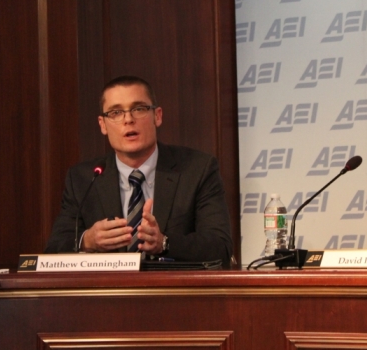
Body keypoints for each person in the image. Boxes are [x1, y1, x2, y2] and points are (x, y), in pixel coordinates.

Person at [46, 76, 233, 266]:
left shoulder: (197, 170)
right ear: (103, 125)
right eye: (116, 112)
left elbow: (220, 247)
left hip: (174, 292)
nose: (128, 120)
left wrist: (164, 242)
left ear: (157, 116)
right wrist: (87, 241)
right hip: (109, 294)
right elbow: (54, 249)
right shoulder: (83, 179)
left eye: (139, 109)